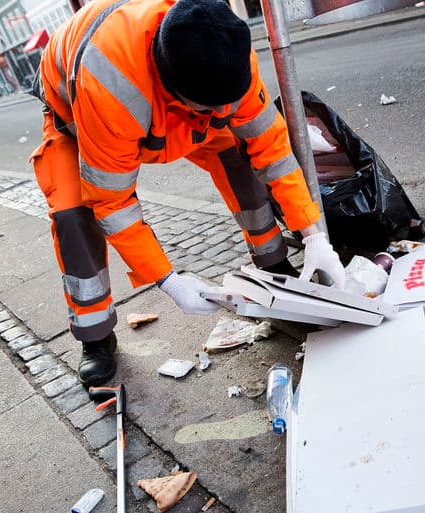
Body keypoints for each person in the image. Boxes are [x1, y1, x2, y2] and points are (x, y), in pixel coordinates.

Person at [30, 0, 346, 387]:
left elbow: (273, 150)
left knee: (238, 155)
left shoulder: (223, 45)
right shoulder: (112, 89)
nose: (227, 110)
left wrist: (313, 234)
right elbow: (112, 203)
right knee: (73, 215)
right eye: (214, 107)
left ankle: (274, 267)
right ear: (176, 94)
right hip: (77, 118)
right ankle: (95, 336)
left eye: (229, 102)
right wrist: (169, 281)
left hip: (170, 99)